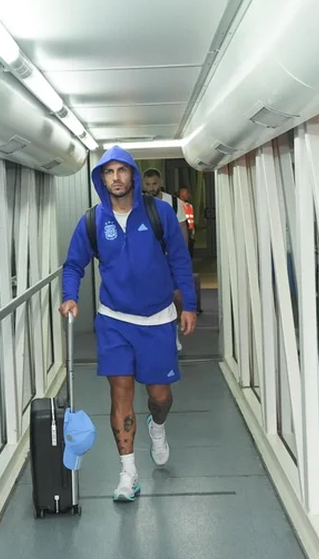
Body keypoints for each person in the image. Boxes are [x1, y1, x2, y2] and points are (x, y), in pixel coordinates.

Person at [59, 147, 197, 502]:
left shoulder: (159, 213)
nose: (116, 177)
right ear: (101, 178)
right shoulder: (91, 221)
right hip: (114, 320)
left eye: (122, 170)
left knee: (159, 397)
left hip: (157, 319)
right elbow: (74, 264)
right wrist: (70, 295)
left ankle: (158, 425)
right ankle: (128, 473)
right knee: (119, 393)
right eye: (109, 172)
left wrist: (190, 305)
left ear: (133, 175)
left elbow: (180, 259)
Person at [141, 168, 188, 349]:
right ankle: (152, 335)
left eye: (154, 184)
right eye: (148, 184)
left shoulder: (174, 204)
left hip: (170, 258)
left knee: (176, 296)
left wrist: (182, 257)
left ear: (160, 182)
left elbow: (182, 230)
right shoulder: (139, 204)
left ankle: (174, 334)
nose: (151, 188)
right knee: (151, 297)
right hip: (149, 260)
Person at [176, 186, 196, 259]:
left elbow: (191, 219)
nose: (188, 195)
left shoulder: (189, 206)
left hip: (190, 233)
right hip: (182, 233)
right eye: (187, 193)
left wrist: (193, 232)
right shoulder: (178, 205)